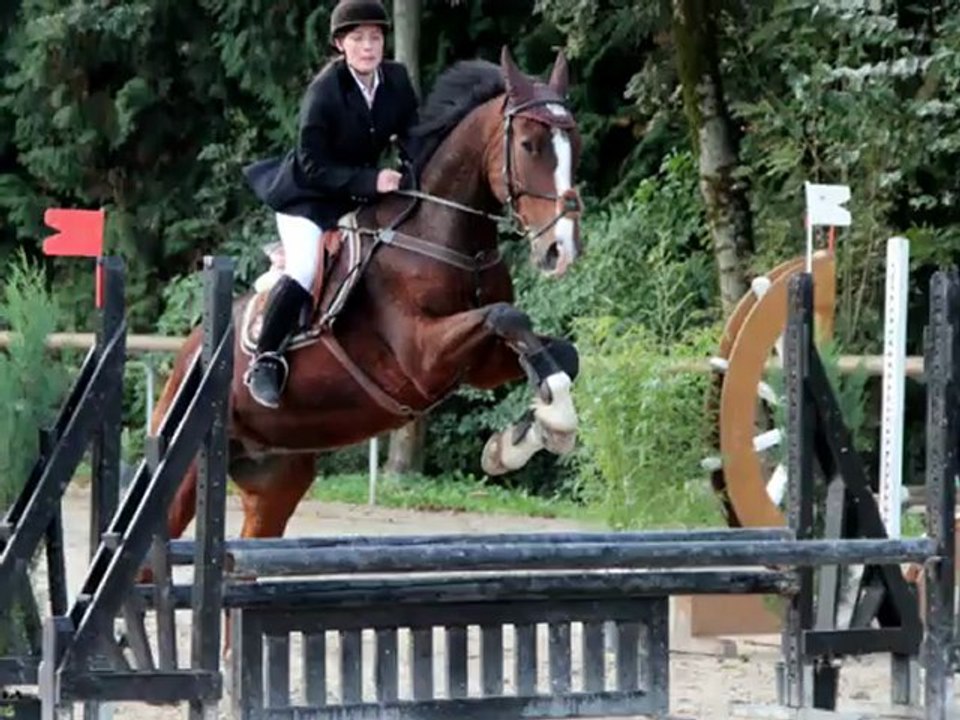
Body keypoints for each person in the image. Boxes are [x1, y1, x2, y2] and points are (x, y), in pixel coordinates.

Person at [240, 0, 420, 409]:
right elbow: (312, 164)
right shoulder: (324, 91)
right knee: (305, 269)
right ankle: (265, 359)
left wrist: (417, 172)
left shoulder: (396, 79)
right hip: (306, 197)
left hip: (354, 197)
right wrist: (372, 179)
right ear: (341, 44)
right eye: (358, 39)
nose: (369, 47)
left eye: (375, 38)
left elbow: (413, 134)